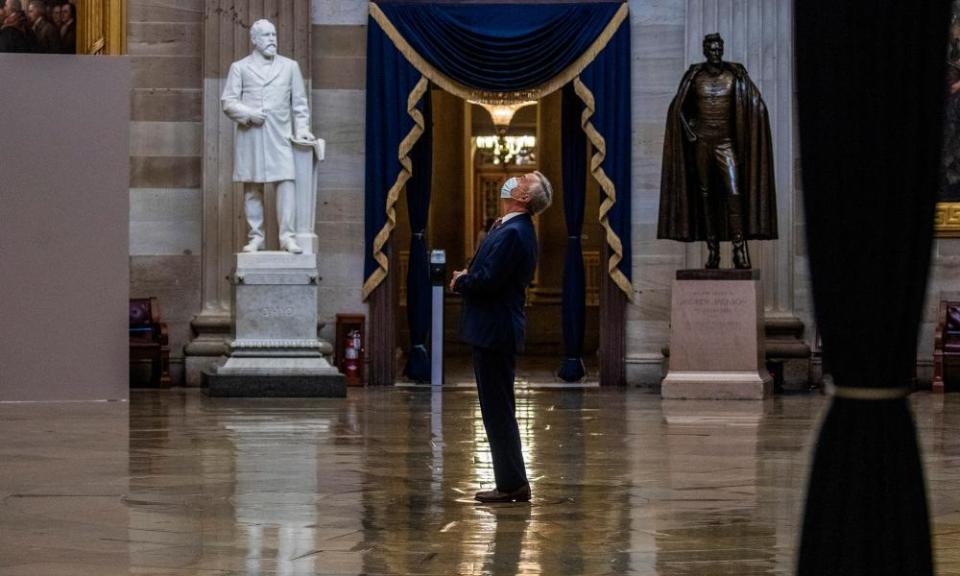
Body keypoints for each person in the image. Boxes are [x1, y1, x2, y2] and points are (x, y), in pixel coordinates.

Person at [450, 171, 553, 503]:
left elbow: (489, 280)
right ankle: (510, 481)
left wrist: (461, 281)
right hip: (493, 327)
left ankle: (511, 484)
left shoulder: (514, 232)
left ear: (523, 197)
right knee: (496, 408)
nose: (514, 179)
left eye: (522, 180)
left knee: (498, 410)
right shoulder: (508, 227)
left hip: (496, 328)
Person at [657, 33, 777, 269]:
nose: (716, 53)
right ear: (705, 51)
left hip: (726, 143)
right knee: (706, 196)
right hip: (702, 143)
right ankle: (713, 250)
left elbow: (755, 104)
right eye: (712, 50)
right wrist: (689, 130)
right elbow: (677, 109)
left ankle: (739, 248)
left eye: (719, 49)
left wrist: (757, 116)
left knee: (734, 192)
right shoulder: (694, 76)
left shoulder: (735, 76)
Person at [221, 19, 313, 253]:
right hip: (251, 136)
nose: (273, 39)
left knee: (286, 184)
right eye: (266, 36)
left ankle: (287, 237)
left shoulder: (290, 66)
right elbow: (228, 102)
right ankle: (256, 238)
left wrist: (301, 129)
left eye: (274, 35)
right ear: (254, 40)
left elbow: (300, 104)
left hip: (280, 135)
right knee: (253, 188)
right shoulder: (239, 67)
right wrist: (250, 113)